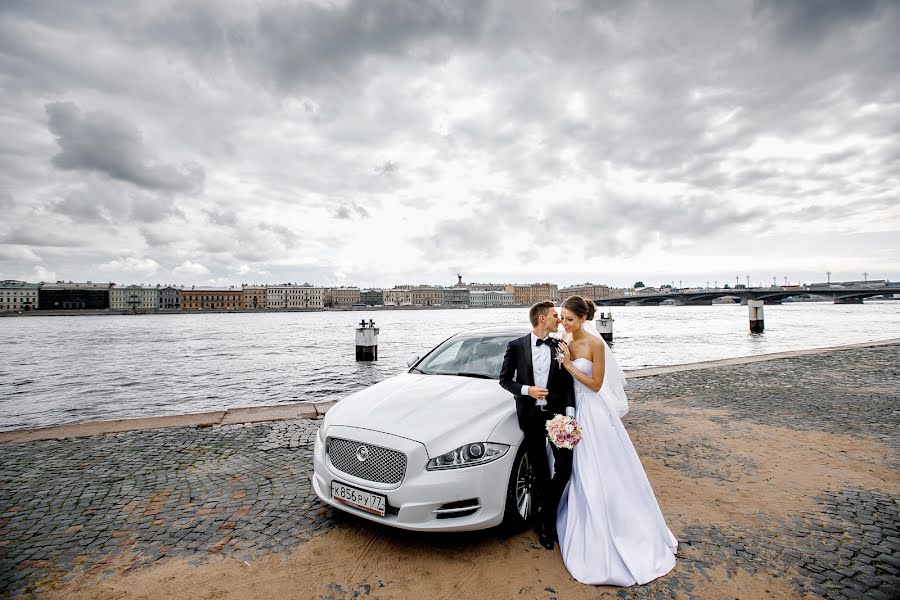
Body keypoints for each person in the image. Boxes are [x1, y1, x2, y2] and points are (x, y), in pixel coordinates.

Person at [556, 295, 677, 586]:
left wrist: (570, 365)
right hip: (572, 411)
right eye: (562, 317)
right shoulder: (562, 338)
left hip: (594, 413)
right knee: (575, 471)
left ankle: (615, 530)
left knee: (600, 469)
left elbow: (596, 385)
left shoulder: (595, 345)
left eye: (569, 319)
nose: (564, 322)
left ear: (583, 319)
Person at [499, 300, 575, 550]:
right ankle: (546, 526)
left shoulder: (560, 346)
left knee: (564, 468)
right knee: (540, 470)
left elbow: (567, 385)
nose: (560, 320)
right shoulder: (516, 346)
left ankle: (544, 511)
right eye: (556, 315)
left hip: (557, 417)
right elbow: (504, 380)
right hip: (530, 416)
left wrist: (570, 415)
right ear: (542, 319)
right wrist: (526, 390)